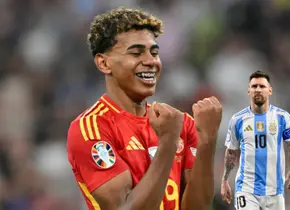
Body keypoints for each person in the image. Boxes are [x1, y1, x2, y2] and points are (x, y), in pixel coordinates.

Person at [66, 7, 222, 210]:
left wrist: (208, 141)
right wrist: (167, 142)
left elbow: (198, 207)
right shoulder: (91, 128)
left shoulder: (178, 123)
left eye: (154, 52)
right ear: (104, 63)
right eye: (136, 52)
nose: (151, 61)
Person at [220, 71, 290, 210]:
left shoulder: (282, 117)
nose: (258, 89)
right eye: (254, 86)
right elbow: (231, 152)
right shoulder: (237, 120)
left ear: (270, 91)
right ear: (248, 91)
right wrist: (225, 179)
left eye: (262, 86)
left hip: (275, 190)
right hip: (246, 188)